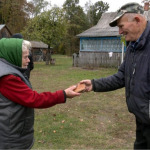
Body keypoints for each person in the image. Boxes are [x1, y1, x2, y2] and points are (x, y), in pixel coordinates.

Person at [80, 2, 150, 150]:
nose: (119, 32)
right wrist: (94, 84)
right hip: (142, 120)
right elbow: (121, 76)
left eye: (121, 26)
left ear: (137, 20)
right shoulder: (133, 46)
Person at [0, 38, 80, 150]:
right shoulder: (7, 78)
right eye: (25, 57)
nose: (28, 61)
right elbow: (34, 99)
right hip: (10, 139)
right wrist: (63, 94)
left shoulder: (6, 69)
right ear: (13, 55)